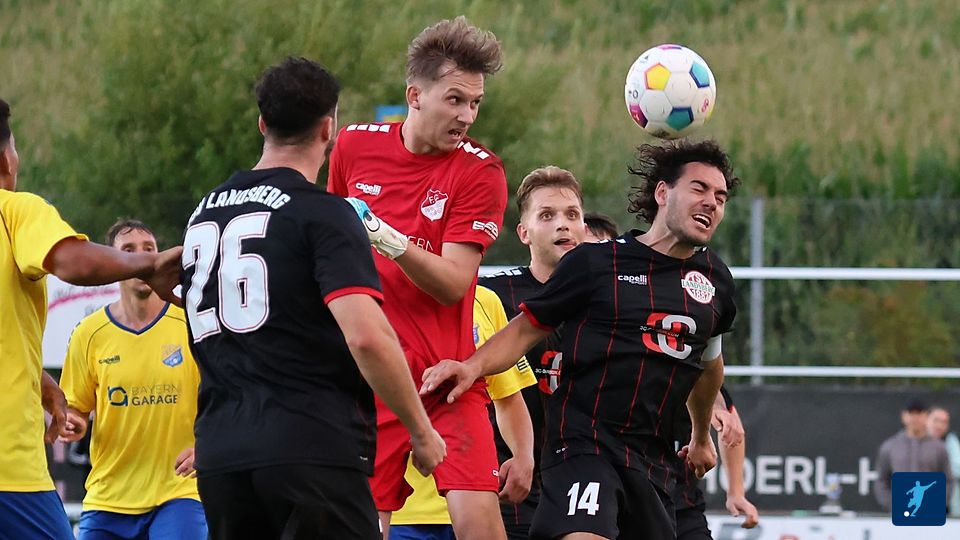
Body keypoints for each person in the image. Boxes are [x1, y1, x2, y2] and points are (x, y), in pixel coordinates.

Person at [180, 57, 445, 540]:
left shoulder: (203, 214)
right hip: (310, 446)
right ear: (328, 128)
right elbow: (366, 337)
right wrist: (421, 430)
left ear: (262, 124)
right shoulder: (324, 213)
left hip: (221, 454)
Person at [422, 139, 740, 540]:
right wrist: (471, 367)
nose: (712, 202)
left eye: (720, 197)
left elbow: (708, 367)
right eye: (699, 189)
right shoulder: (596, 263)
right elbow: (525, 328)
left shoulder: (715, 280)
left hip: (651, 459)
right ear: (662, 193)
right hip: (582, 445)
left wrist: (700, 437)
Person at [328, 17, 508, 540]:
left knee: (478, 525)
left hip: (445, 379)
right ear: (414, 95)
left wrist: (385, 237)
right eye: (455, 100)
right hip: (370, 378)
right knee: (359, 529)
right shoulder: (353, 146)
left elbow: (453, 283)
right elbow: (335, 256)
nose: (467, 115)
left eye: (475, 103)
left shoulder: (480, 172)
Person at [0, 98, 182, 539]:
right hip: (10, 471)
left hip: (177, 494)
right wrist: (151, 265)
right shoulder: (15, 211)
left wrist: (38, 379)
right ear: (7, 158)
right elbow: (72, 261)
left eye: (148, 248)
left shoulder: (181, 328)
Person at [58, 219, 206, 540]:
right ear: (113, 264)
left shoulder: (191, 323)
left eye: (148, 249)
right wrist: (73, 422)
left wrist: (206, 446)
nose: (142, 257)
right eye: (128, 250)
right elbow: (76, 409)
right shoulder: (89, 333)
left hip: (179, 492)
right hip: (108, 498)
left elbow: (227, 395)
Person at [478, 165, 586, 539]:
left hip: (586, 476)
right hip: (510, 476)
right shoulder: (491, 295)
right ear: (523, 232)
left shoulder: (610, 297)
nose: (563, 225)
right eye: (547, 215)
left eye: (572, 215)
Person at [390, 285, 536, 540]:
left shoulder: (484, 300)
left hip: (474, 498)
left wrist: (523, 455)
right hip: (401, 507)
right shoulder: (377, 294)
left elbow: (508, 395)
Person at [672, 387, 759, 539]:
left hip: (683, 507)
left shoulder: (695, 377)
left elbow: (730, 425)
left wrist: (736, 492)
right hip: (638, 502)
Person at [875, 398, 952, 511]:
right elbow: (882, 480)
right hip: (899, 511)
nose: (915, 418)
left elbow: (948, 480)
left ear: (926, 416)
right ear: (904, 416)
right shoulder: (890, 446)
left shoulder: (939, 448)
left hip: (930, 511)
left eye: (919, 413)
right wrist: (891, 504)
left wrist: (937, 502)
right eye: (911, 413)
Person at [928, 406, 960, 516]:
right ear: (926, 419)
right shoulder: (912, 441)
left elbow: (957, 468)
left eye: (944, 422)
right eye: (936, 420)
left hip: (947, 506)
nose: (939, 425)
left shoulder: (950, 441)